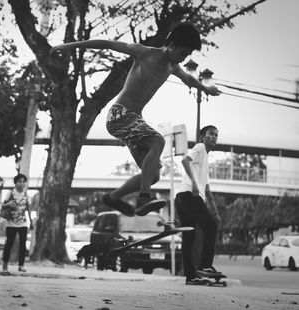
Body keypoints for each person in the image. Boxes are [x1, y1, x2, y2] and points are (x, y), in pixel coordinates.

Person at [50, 23, 221, 217]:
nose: (184, 58)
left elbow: (189, 80)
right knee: (157, 140)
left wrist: (206, 89)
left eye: (188, 54)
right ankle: (143, 199)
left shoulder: (173, 67)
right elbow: (107, 44)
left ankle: (113, 197)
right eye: (183, 52)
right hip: (119, 114)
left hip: (133, 120)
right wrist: (69, 46)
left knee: (153, 175)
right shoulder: (144, 52)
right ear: (171, 45)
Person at [175, 125, 222, 285]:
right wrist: (194, 182)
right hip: (189, 194)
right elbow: (184, 160)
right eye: (211, 134)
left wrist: (215, 212)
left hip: (181, 197)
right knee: (210, 226)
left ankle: (191, 276)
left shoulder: (205, 160)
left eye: (216, 135)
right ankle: (205, 265)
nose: (214, 137)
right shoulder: (200, 147)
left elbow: (207, 190)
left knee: (189, 237)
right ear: (202, 137)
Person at [1, 173, 33, 272]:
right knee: (9, 244)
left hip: (23, 223)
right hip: (11, 223)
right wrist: (9, 204)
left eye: (23, 182)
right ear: (15, 183)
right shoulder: (10, 193)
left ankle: (21, 265)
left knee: (23, 245)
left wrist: (30, 221)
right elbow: (3, 206)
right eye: (19, 182)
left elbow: (28, 208)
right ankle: (5, 264)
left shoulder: (26, 194)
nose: (22, 184)